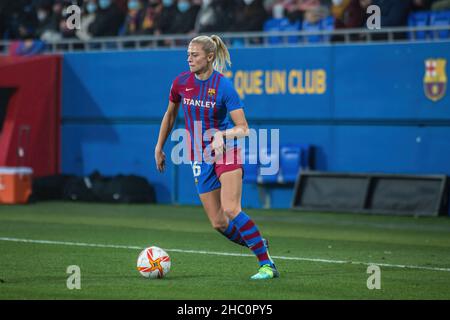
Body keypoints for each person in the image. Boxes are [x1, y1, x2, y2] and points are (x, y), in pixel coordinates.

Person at [154, 35, 280, 280]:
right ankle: (258, 242)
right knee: (219, 223)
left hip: (226, 151)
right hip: (198, 156)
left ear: (210, 57)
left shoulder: (224, 86)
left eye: (195, 55)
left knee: (232, 208)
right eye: (188, 54)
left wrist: (223, 134)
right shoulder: (180, 82)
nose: (189, 59)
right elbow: (170, 115)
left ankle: (267, 265)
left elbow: (243, 128)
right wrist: (159, 147)